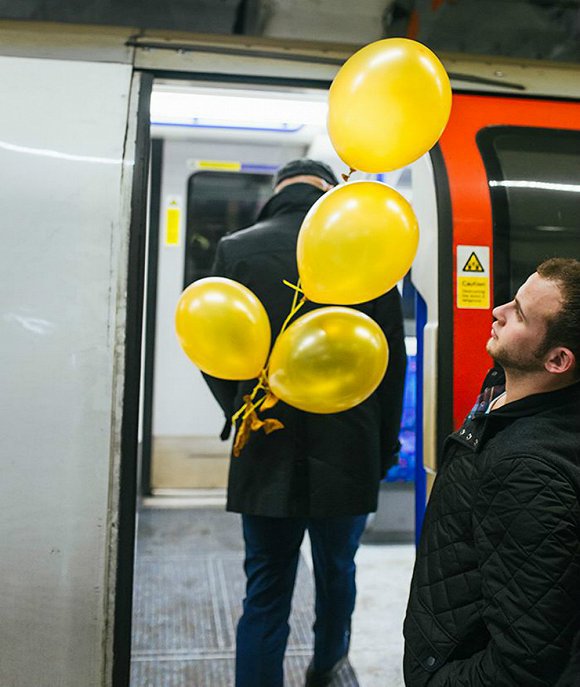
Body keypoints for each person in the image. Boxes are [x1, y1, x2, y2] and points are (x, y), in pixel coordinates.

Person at [202, 158, 407, 687]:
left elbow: (212, 345)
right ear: (330, 192)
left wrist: (242, 410)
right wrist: (383, 450)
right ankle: (326, 667)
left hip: (264, 443)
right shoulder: (365, 255)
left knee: (266, 584)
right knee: (338, 571)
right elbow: (389, 366)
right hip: (349, 445)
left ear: (277, 192)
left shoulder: (235, 249)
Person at [403, 257, 580, 686]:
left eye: (519, 314)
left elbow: (524, 660)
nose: (498, 312)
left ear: (558, 360)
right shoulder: (502, 392)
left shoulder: (529, 472)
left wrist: (440, 680)